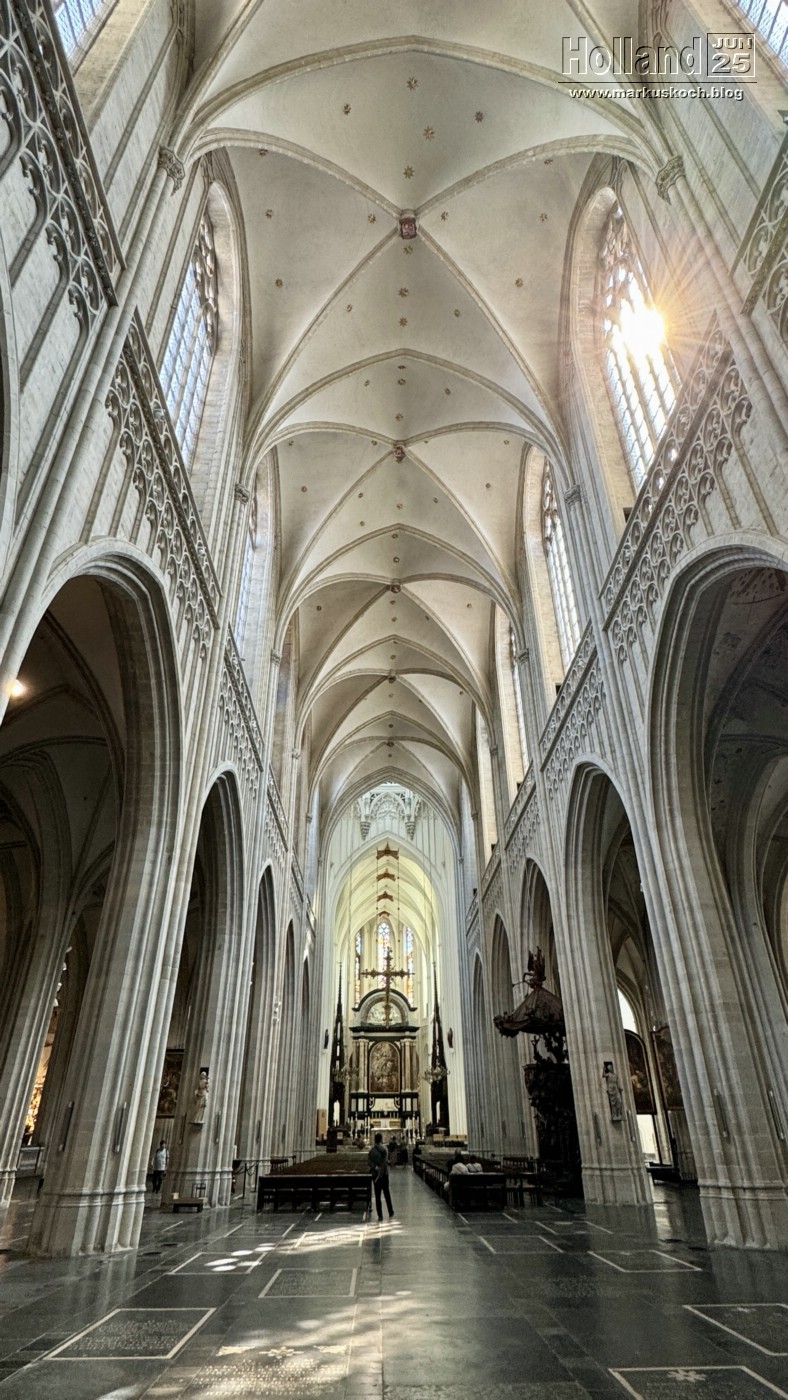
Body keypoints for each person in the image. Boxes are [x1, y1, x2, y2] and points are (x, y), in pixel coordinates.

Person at [367, 1132, 395, 1221]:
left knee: (377, 1195)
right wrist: (381, 1170)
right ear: (381, 1140)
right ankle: (390, 1211)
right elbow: (385, 1161)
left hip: (376, 1175)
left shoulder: (372, 1151)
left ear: (375, 1140)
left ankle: (380, 1215)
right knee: (387, 1194)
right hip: (384, 1174)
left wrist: (375, 1167)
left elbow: (369, 1161)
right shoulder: (385, 1149)